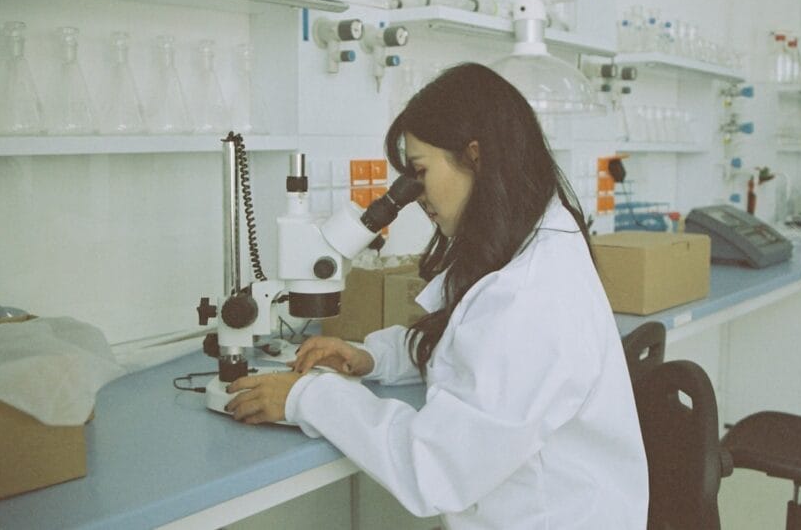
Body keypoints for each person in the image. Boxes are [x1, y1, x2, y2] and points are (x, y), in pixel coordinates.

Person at [225, 62, 648, 528]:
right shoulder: (531, 241)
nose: (415, 194)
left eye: (420, 170)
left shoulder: (531, 298)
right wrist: (372, 358)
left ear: (475, 156)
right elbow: (467, 345)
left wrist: (307, 397)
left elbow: (435, 468)